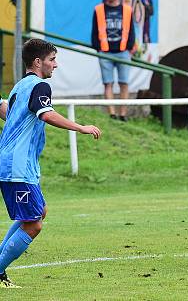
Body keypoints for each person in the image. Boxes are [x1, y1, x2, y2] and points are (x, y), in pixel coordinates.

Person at [0, 39, 102, 288]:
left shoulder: (20, 87)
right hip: (17, 166)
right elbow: (46, 113)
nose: (56, 65)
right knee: (34, 224)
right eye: (52, 59)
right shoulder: (40, 86)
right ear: (38, 62)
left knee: (39, 212)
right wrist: (80, 127)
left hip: (20, 165)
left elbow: (10, 114)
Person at [91, 0, 136, 121]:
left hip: (123, 51)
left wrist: (129, 48)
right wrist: (98, 47)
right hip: (105, 51)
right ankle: (112, 113)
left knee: (124, 82)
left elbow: (132, 31)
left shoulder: (127, 10)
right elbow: (94, 31)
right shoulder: (98, 9)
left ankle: (122, 114)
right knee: (108, 83)